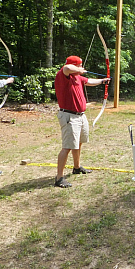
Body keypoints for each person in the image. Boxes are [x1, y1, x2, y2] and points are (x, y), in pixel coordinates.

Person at [54, 55, 110, 188]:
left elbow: (89, 81)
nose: (81, 67)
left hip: (80, 116)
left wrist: (103, 81)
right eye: (79, 65)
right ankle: (59, 177)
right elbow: (67, 67)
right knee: (67, 146)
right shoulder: (63, 75)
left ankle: (77, 167)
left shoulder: (77, 77)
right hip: (69, 116)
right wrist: (78, 69)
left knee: (79, 142)